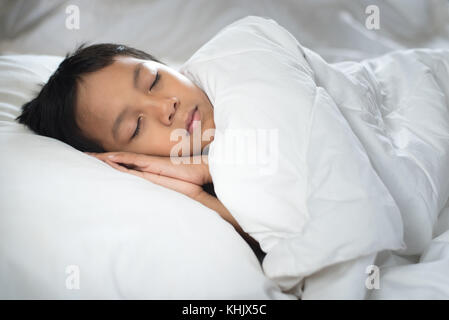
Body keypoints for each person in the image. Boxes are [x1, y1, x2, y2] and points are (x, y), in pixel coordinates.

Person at [15, 43, 264, 260]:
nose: (167, 106)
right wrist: (197, 194)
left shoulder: (246, 72)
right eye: (135, 126)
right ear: (128, 160)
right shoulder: (186, 201)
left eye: (153, 80)